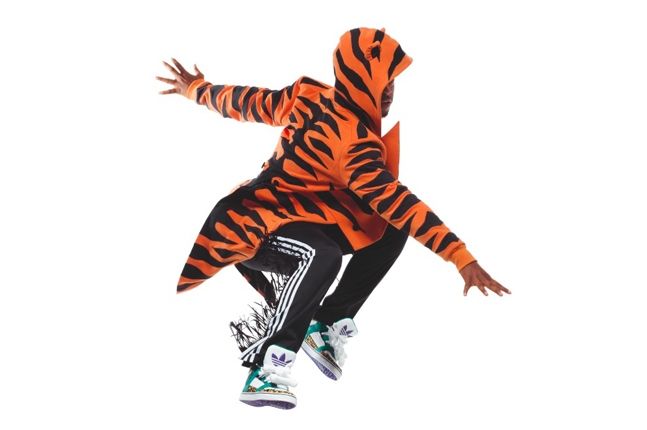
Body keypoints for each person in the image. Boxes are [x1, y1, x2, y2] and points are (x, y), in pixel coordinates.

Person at [157, 27, 510, 410]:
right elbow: (248, 102)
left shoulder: (317, 101)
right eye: (382, 82)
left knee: (390, 226)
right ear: (358, 80)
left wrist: (197, 89)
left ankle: (326, 321)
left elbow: (396, 207)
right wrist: (460, 257)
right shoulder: (344, 134)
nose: (388, 92)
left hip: (303, 217)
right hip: (254, 226)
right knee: (321, 255)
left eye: (392, 82)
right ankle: (267, 366)